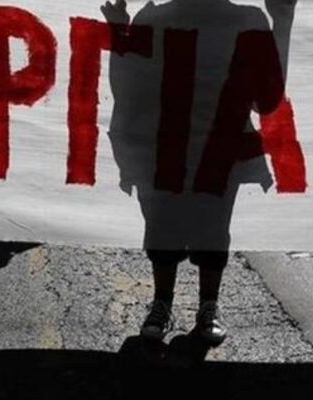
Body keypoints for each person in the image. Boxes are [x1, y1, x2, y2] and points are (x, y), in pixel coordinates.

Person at [102, 0, 297, 346]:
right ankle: (163, 304)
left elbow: (266, 99)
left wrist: (282, 22)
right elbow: (129, 87)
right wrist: (120, 31)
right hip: (164, 149)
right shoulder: (156, 19)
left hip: (218, 152)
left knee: (212, 231)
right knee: (163, 230)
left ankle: (207, 306)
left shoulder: (246, 21)